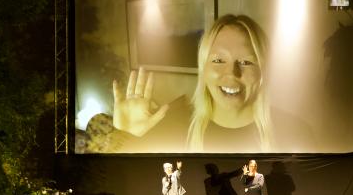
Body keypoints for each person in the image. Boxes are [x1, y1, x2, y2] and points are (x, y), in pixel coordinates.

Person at [106, 14, 272, 153]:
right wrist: (126, 138)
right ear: (203, 68)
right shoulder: (174, 128)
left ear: (263, 71)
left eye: (246, 62)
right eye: (219, 60)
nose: (231, 73)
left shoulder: (291, 131)